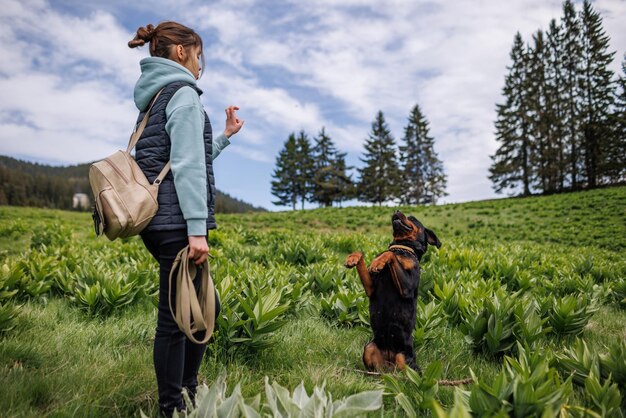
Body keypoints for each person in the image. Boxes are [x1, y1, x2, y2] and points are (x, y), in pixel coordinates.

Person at [128, 21, 244, 417]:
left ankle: (188, 391)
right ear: (182, 52)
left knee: (201, 306)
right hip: (178, 224)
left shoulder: (156, 97)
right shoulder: (183, 94)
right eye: (199, 55)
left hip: (158, 223)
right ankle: (173, 405)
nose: (200, 64)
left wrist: (224, 136)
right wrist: (197, 230)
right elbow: (189, 167)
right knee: (178, 319)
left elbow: (179, 159)